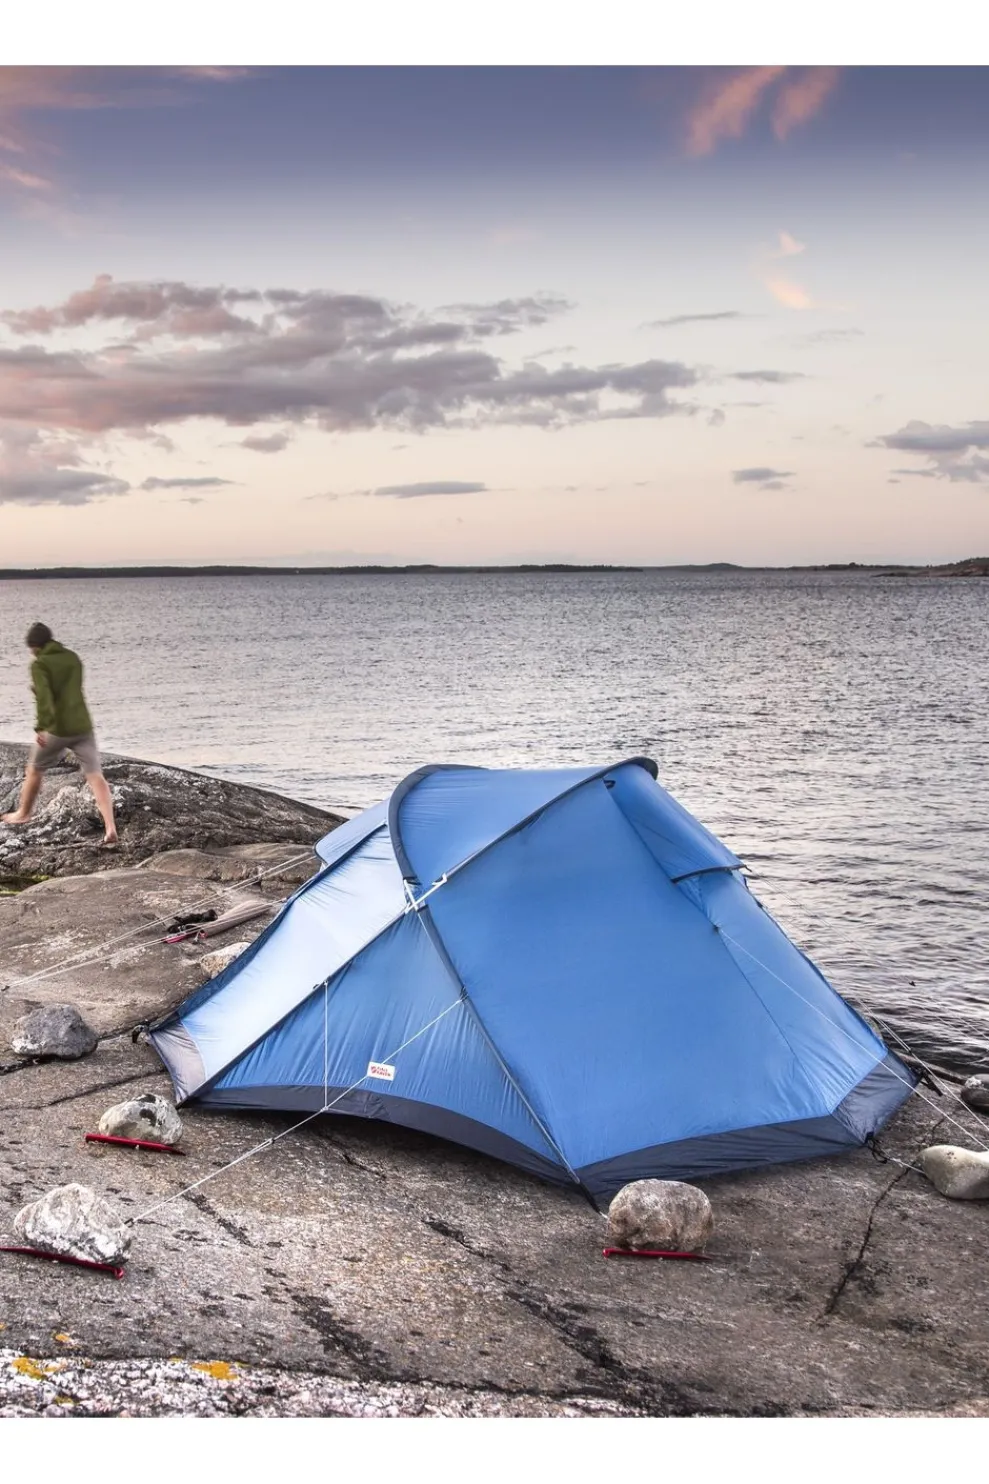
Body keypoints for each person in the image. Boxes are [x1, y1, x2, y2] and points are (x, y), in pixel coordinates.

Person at [2, 622, 118, 846]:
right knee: (95, 775)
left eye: (31, 648)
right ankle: (110, 827)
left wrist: (41, 726)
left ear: (35, 646)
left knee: (35, 768)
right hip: (83, 726)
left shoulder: (40, 664)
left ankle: (23, 813)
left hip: (58, 728)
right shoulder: (73, 658)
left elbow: (46, 698)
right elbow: (70, 689)